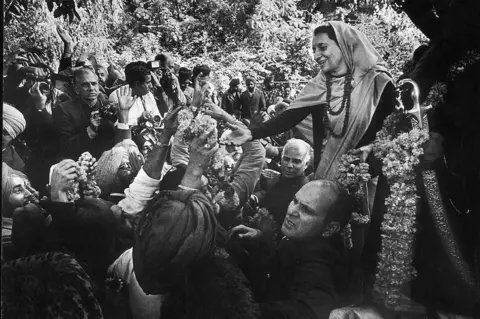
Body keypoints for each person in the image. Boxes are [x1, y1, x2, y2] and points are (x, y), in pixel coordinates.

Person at [223, 21, 395, 181]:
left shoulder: (378, 82)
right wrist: (252, 133)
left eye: (322, 47)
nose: (316, 55)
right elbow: (289, 117)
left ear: (344, 45)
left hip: (367, 177)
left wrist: (372, 151)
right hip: (326, 175)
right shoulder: (318, 85)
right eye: (313, 49)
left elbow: (393, 131)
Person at [231, 180, 355, 319]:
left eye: (306, 210)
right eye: (295, 201)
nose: (292, 211)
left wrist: (240, 311)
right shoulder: (304, 238)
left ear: (329, 228)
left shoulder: (320, 266)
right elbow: (282, 267)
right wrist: (261, 242)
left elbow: (310, 312)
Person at [53, 67, 116, 160]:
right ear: (76, 89)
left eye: (94, 84)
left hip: (108, 158)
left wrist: (123, 115)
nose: (91, 88)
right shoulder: (64, 109)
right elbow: (66, 147)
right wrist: (91, 130)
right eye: (85, 85)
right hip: (79, 162)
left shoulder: (110, 105)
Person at [250, 138, 311, 227]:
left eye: (296, 161)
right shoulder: (282, 178)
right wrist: (256, 198)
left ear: (306, 164)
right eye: (286, 159)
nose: (289, 165)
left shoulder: (304, 191)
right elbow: (271, 195)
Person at [109, 62, 162, 127]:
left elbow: (157, 116)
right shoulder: (117, 96)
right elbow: (118, 126)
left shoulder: (148, 95)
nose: (151, 86)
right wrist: (139, 120)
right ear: (137, 84)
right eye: (148, 83)